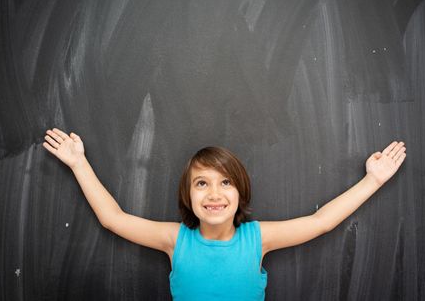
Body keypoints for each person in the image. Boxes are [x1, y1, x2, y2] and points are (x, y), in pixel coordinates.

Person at [42, 128, 406, 300]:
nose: (214, 194)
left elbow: (321, 222)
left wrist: (372, 181)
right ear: (187, 194)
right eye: (202, 184)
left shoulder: (257, 238)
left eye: (226, 182)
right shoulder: (175, 240)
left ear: (240, 192)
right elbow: (114, 219)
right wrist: (78, 163)